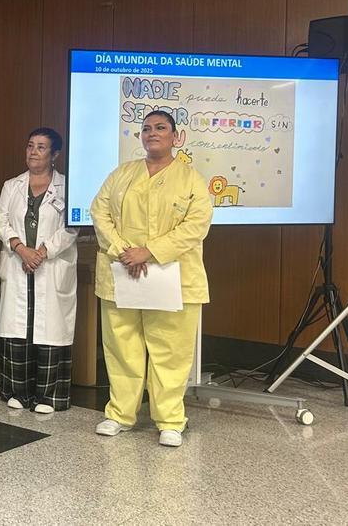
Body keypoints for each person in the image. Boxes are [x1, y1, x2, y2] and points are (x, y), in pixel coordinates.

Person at [90, 110, 213, 448]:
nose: (152, 133)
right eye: (146, 128)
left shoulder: (191, 179)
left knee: (170, 351)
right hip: (122, 272)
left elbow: (196, 225)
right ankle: (119, 414)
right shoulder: (122, 174)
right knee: (121, 346)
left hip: (172, 277)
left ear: (176, 136)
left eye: (161, 128)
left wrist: (150, 251)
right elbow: (98, 211)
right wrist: (122, 249)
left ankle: (171, 419)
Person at [0, 128, 78, 414]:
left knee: (49, 331)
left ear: (55, 154)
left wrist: (41, 252)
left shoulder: (69, 187)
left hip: (50, 266)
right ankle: (17, 390)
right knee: (20, 328)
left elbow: (71, 226)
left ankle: (47, 396)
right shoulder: (11, 185)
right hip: (20, 263)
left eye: (41, 147)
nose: (33, 151)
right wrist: (20, 248)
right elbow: (1, 220)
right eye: (30, 145)